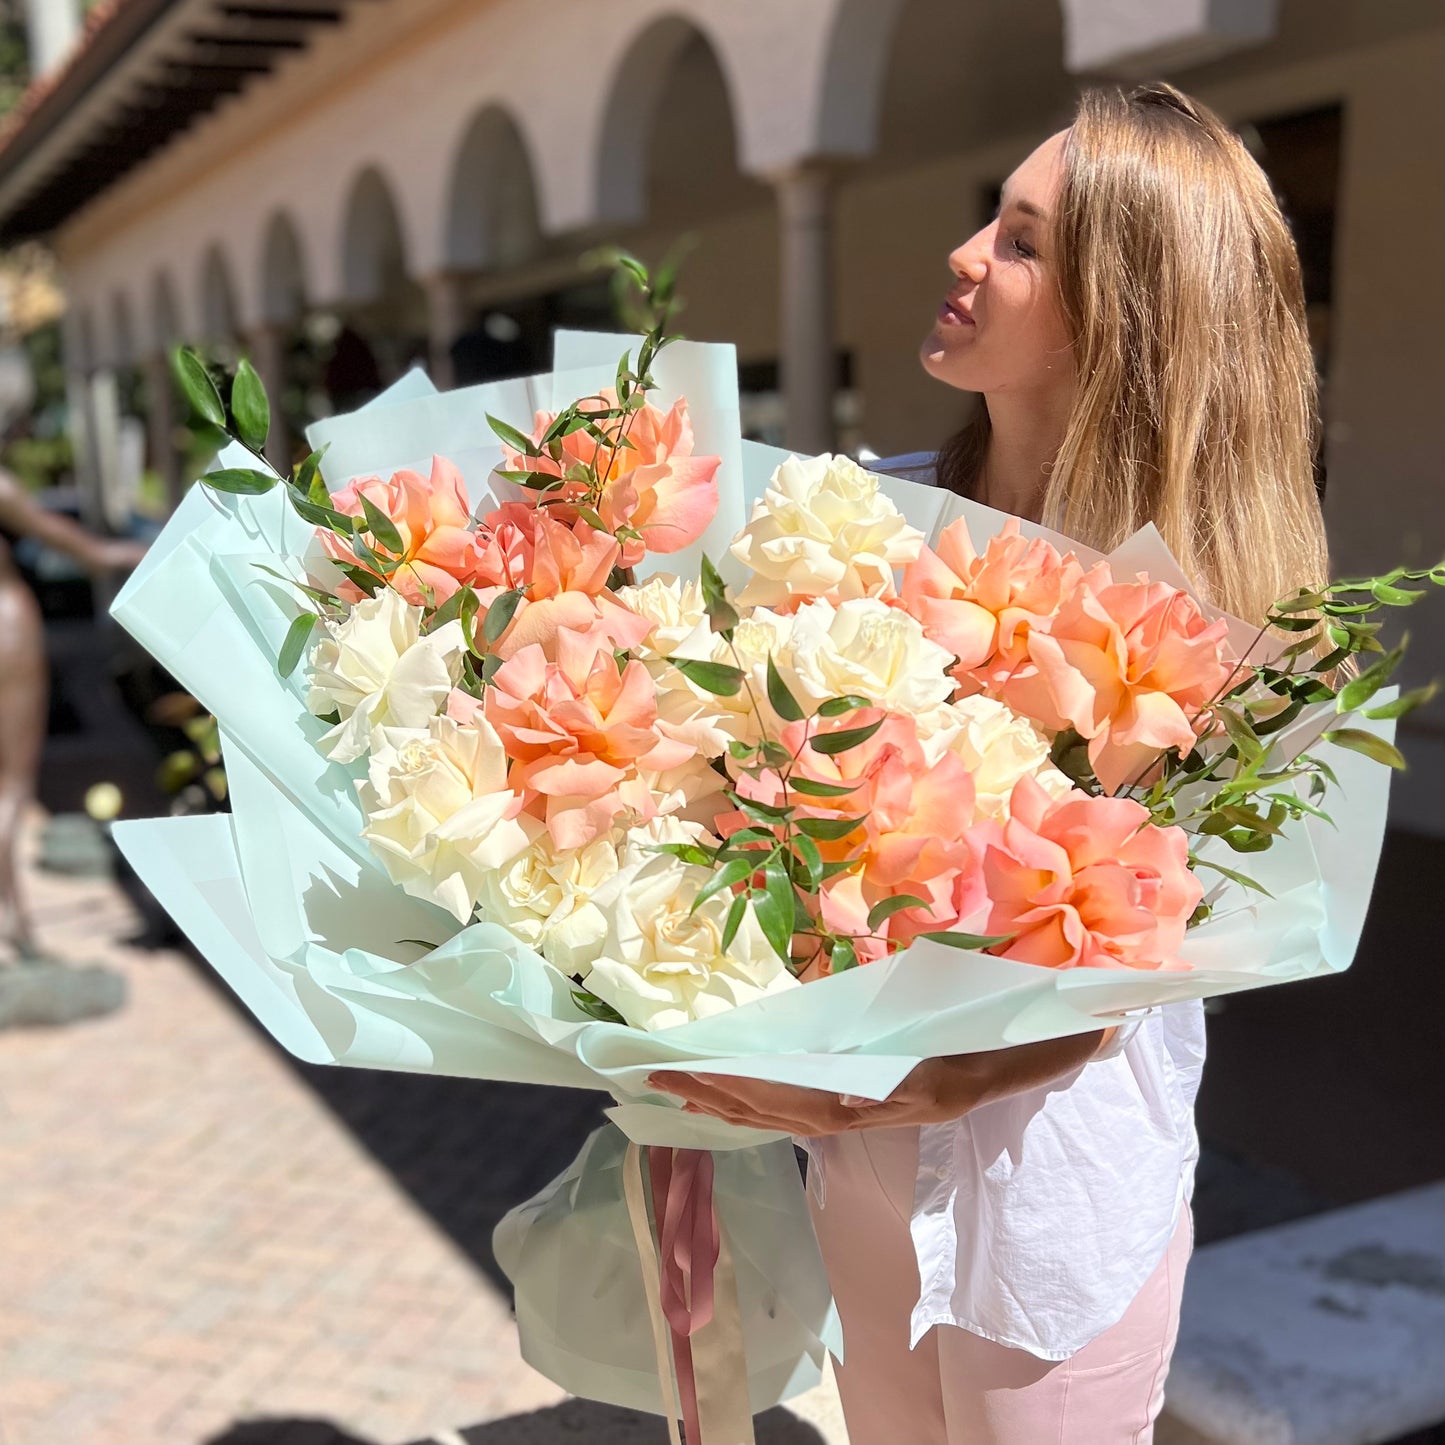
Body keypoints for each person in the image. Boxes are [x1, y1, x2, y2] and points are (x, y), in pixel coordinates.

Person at [651, 82, 1330, 1445]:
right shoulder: (861, 526)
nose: (966, 254)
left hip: (1057, 1210)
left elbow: (1150, 956)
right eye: (991, 222)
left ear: (1123, 315)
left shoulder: (1211, 617)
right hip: (857, 1168)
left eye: (1021, 242)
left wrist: (927, 1077)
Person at [0, 467, 145, 964]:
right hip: (6, 631)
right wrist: (147, 553)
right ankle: (10, 919)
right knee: (12, 787)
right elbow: (88, 551)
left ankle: (12, 913)